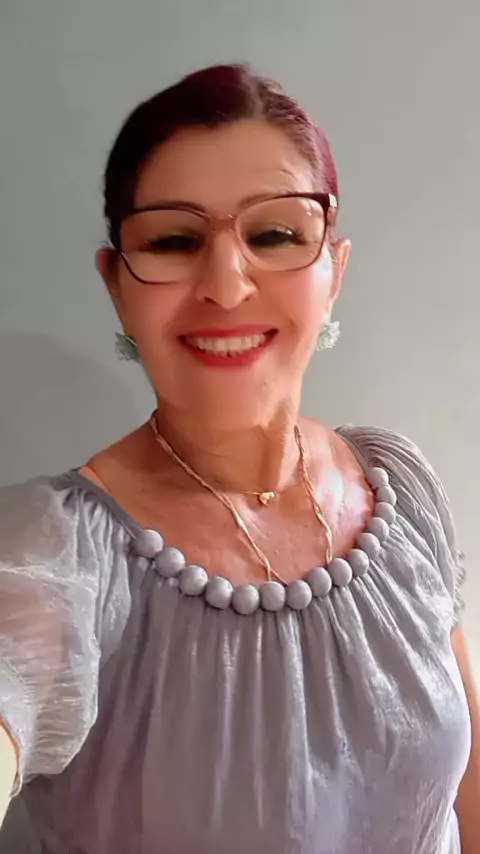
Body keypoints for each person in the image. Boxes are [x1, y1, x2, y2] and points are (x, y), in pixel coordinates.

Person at [0, 64, 478, 854]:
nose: (226, 285)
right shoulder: (52, 557)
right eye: (174, 240)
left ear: (335, 272)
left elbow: (467, 788)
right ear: (118, 286)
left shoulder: (398, 483)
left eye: (276, 234)